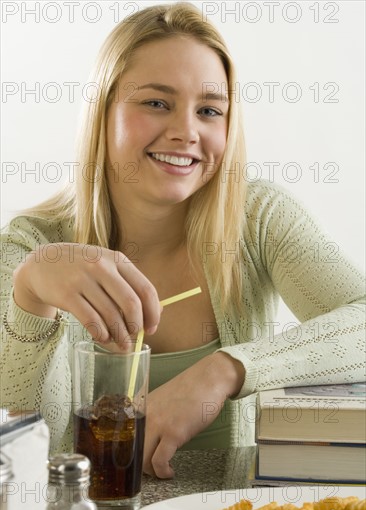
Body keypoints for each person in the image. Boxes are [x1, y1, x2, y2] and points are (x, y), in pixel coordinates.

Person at [1, 2, 365, 479]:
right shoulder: (29, 248)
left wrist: (224, 370)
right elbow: (25, 448)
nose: (185, 132)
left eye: (209, 110)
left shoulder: (259, 218)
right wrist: (30, 297)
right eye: (156, 102)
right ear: (103, 111)